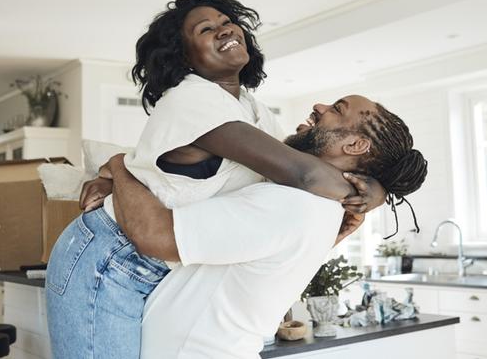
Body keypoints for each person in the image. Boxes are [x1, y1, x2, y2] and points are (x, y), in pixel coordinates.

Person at [45, 0, 388, 358]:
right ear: (182, 56)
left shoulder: (252, 108)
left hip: (155, 263)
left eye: (227, 22)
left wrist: (373, 191)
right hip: (110, 257)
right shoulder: (190, 100)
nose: (225, 30)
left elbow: (296, 172)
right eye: (205, 29)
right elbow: (304, 174)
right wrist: (372, 191)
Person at [103, 94, 428, 358]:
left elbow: (153, 235)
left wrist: (120, 166)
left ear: (355, 145)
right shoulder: (319, 207)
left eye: (337, 109)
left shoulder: (291, 204)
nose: (320, 106)